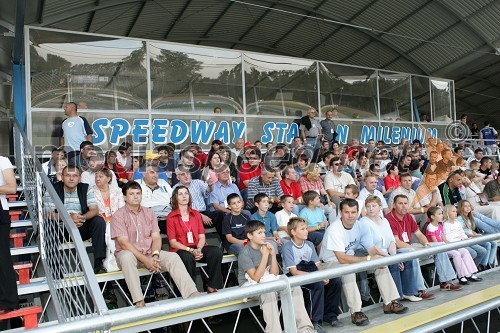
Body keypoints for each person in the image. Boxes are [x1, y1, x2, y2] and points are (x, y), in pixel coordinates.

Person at [319, 199, 408, 327]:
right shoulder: (335, 229)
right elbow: (341, 259)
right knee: (347, 270)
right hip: (331, 262)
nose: (350, 215)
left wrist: (384, 258)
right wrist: (367, 260)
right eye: (347, 212)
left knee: (380, 265)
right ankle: (356, 312)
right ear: (341, 213)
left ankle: (390, 303)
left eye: (353, 212)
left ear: (358, 212)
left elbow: (371, 249)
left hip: (352, 258)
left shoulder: (361, 225)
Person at [111, 182, 201, 308]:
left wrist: (154, 256)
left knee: (173, 257)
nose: (136, 196)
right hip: (129, 255)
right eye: (131, 194)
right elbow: (124, 243)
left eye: (138, 194)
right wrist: (145, 260)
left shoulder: (149, 213)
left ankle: (192, 293)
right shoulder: (118, 216)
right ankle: (139, 301)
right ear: (125, 197)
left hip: (149, 253)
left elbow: (156, 238)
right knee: (126, 257)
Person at [237, 220, 315, 333]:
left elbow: (274, 274)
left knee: (294, 287)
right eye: (259, 233)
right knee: (268, 292)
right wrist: (265, 256)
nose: (263, 235)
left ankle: (305, 329)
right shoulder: (245, 253)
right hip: (250, 286)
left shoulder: (266, 247)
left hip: (267, 280)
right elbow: (255, 278)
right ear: (250, 235)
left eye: (264, 232)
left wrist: (272, 255)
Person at [386, 195, 460, 293]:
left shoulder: (408, 216)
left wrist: (426, 245)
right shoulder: (389, 219)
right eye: (400, 203)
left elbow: (419, 234)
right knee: (413, 252)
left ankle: (446, 282)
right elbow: (397, 243)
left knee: (438, 247)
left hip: (410, 247)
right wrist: (417, 249)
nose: (404, 206)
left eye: (405, 203)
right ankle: (420, 290)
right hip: (396, 250)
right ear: (394, 205)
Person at [282, 217, 343, 332]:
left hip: (311, 271)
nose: (307, 231)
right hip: (295, 277)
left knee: (335, 281)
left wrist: (322, 275)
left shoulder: (309, 244)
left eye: (306, 228)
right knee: (317, 285)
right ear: (293, 232)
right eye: (303, 229)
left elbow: (318, 265)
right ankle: (314, 321)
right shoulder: (287, 247)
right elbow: (294, 272)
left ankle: (330, 315)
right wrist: (316, 277)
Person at [360, 196, 421, 302]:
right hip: (372, 254)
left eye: (373, 206)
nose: (370, 208)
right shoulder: (363, 222)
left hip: (387, 252)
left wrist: (394, 257)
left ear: (380, 207)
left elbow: (392, 241)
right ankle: (396, 297)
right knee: (392, 263)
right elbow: (372, 247)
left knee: (407, 254)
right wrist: (392, 259)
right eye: (368, 206)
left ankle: (408, 292)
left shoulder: (384, 221)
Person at [47, 166, 106, 273]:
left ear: (79, 178)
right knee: (49, 225)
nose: (71, 178)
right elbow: (47, 213)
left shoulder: (85, 188)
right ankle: (55, 267)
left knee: (99, 221)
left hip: (80, 226)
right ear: (62, 177)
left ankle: (99, 263)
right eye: (68, 175)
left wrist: (82, 217)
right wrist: (68, 219)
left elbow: (94, 209)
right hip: (61, 230)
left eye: (75, 176)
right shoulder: (53, 189)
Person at [167, 186, 223, 293]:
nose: (184, 196)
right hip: (181, 249)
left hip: (197, 247)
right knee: (187, 257)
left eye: (186, 193)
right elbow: (173, 243)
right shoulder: (171, 217)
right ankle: (191, 290)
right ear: (175, 198)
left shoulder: (196, 214)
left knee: (216, 251)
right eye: (180, 194)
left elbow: (202, 236)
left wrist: (199, 249)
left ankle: (212, 286)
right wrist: (191, 250)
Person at [425, 206, 481, 285]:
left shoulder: (440, 226)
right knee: (456, 254)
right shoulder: (430, 227)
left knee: (464, 251)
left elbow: (444, 238)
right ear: (432, 217)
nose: (442, 215)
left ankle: (469, 273)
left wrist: (451, 245)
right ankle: (461, 276)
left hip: (445, 246)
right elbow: (435, 242)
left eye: (441, 213)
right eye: (439, 214)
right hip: (439, 248)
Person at [93, 168, 125, 271]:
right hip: (101, 221)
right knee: (108, 229)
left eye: (100, 176)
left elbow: (122, 208)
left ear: (108, 178)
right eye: (96, 176)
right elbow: (93, 209)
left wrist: (114, 219)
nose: (97, 179)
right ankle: (115, 262)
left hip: (116, 220)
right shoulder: (91, 191)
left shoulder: (117, 191)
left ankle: (112, 263)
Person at [0, 155, 19, 316]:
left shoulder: (2, 160)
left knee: (2, 257)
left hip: (0, 211)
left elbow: (12, 188)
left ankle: (8, 301)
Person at [457, 200, 499, 270]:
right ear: (461, 208)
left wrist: (476, 234)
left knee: (494, 243)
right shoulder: (459, 219)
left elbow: (470, 230)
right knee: (487, 244)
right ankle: (482, 265)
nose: (468, 208)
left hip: (473, 237)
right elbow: (463, 232)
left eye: (469, 206)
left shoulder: (470, 217)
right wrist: (474, 236)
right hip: (467, 238)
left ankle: (488, 263)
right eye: (465, 206)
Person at [136, 165, 173, 233]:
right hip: (146, 217)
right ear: (144, 174)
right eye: (152, 172)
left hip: (167, 216)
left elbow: (174, 198)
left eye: (157, 172)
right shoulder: (136, 184)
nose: (155, 175)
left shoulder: (163, 182)